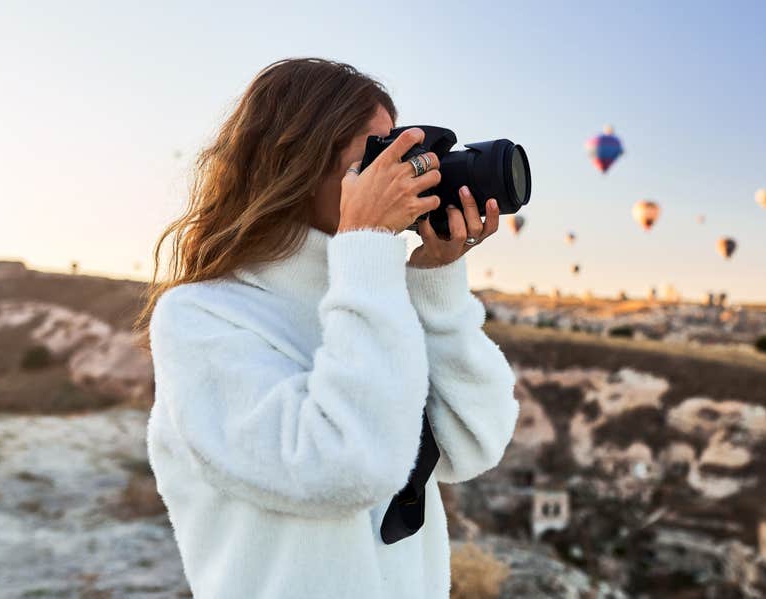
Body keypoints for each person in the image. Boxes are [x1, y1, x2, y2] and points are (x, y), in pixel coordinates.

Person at [134, 57, 520, 598]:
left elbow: (473, 443)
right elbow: (345, 467)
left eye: (404, 154)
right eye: (379, 153)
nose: (403, 172)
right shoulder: (202, 316)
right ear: (294, 160)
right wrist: (365, 247)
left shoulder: (370, 302)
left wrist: (436, 285)